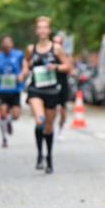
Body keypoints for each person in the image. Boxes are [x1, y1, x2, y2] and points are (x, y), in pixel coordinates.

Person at [22, 17, 71, 173]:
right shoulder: (31, 48)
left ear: (49, 31)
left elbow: (68, 66)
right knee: (40, 121)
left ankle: (48, 157)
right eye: (39, 27)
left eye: (45, 27)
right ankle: (39, 155)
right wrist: (24, 70)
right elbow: (25, 61)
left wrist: (55, 66)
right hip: (35, 89)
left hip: (52, 91)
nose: (42, 30)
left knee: (49, 127)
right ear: (36, 31)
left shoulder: (56, 48)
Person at [0, 35, 25, 148]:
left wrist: (22, 75)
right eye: (5, 44)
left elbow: (25, 67)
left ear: (12, 44)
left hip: (15, 89)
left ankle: (9, 121)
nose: (7, 46)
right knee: (2, 113)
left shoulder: (19, 55)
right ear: (2, 45)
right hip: (1, 89)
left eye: (9, 43)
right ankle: (4, 138)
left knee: (16, 115)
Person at [52, 33, 75, 139]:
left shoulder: (65, 55)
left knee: (62, 110)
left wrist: (57, 67)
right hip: (51, 84)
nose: (57, 45)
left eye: (59, 43)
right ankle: (50, 127)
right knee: (51, 109)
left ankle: (60, 129)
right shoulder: (49, 54)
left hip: (63, 84)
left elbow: (71, 70)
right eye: (55, 42)